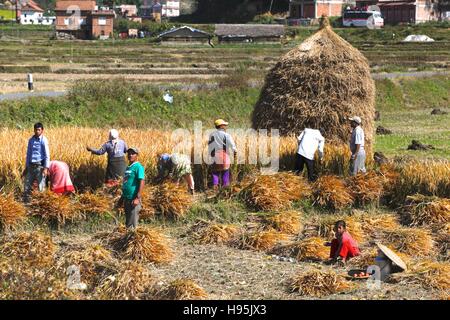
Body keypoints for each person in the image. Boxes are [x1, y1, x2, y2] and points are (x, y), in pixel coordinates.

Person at [23, 122, 50, 202]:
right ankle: (26, 205)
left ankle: (42, 206)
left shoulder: (43, 140)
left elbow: (47, 155)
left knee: (41, 187)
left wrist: (45, 168)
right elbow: (28, 154)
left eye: (39, 130)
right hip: (31, 167)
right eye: (36, 130)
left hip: (39, 167)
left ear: (42, 130)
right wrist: (26, 167)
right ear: (34, 130)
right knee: (27, 187)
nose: (37, 131)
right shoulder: (31, 140)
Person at [119, 147, 145, 229]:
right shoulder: (128, 167)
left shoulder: (138, 167)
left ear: (137, 155)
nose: (130, 155)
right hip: (127, 198)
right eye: (129, 153)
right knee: (128, 222)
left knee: (133, 224)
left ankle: (132, 239)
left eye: (133, 153)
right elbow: (126, 183)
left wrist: (138, 197)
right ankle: (127, 239)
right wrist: (122, 197)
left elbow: (142, 181)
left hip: (134, 198)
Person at [208, 119, 237, 189]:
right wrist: (235, 152)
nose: (225, 126)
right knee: (225, 171)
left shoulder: (212, 135)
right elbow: (232, 145)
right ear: (221, 126)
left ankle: (215, 186)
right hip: (224, 155)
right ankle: (225, 187)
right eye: (224, 125)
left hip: (214, 155)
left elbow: (210, 146)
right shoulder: (226, 135)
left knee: (215, 172)